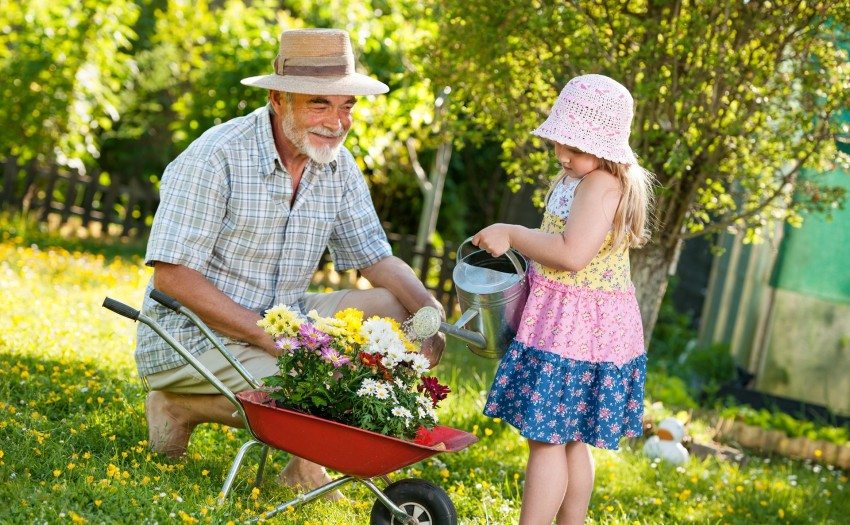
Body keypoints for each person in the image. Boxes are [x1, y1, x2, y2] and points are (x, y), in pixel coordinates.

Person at [133, 28, 446, 493]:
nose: (337, 122)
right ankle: (178, 405)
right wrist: (276, 341)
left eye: (347, 107)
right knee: (328, 383)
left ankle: (300, 465)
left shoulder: (338, 166)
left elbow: (375, 257)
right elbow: (173, 277)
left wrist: (428, 312)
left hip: (285, 322)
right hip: (191, 335)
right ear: (279, 99)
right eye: (320, 104)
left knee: (394, 310)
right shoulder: (215, 157)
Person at [473, 74, 654, 525]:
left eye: (575, 147)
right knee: (568, 438)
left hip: (577, 330)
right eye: (560, 143)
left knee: (548, 438)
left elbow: (572, 254)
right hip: (570, 323)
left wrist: (513, 233)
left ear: (607, 145)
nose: (563, 155)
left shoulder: (601, 185)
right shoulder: (580, 177)